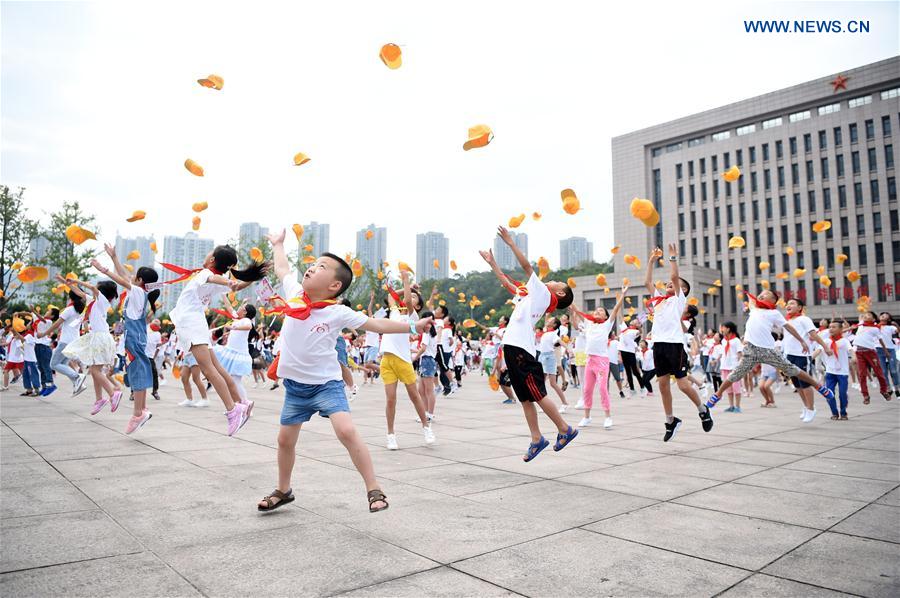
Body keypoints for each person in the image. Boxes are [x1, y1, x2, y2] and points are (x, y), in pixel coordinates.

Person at [256, 229, 435, 513]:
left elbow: (377, 324)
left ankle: (374, 488)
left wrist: (412, 326)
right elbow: (282, 268)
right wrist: (278, 244)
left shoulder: (337, 312)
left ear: (334, 285)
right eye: (314, 264)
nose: (311, 267)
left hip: (326, 385)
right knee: (284, 440)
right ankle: (283, 490)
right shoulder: (295, 295)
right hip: (296, 387)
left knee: (346, 430)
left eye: (321, 267)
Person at [479, 225, 577, 462]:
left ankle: (565, 429)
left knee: (538, 395)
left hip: (521, 350)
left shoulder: (544, 294)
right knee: (525, 398)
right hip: (513, 348)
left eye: (557, 282)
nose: (553, 279)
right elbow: (507, 284)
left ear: (560, 294)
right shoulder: (531, 296)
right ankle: (536, 439)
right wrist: (493, 263)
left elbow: (526, 267)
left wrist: (511, 243)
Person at [166, 245, 269, 435]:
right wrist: (252, 276)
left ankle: (233, 410)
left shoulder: (206, 274)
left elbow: (215, 278)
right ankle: (240, 403)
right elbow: (236, 286)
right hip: (197, 324)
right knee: (217, 369)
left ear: (212, 259)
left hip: (192, 324)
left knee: (209, 370)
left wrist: (230, 281)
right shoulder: (215, 277)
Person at [707, 289, 835, 409]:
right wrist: (747, 295)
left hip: (768, 350)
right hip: (750, 351)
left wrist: (801, 340)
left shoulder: (774, 313)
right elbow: (751, 299)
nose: (762, 294)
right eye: (761, 293)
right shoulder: (754, 309)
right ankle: (718, 394)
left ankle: (819, 387)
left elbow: (788, 327)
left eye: (766, 293)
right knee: (735, 374)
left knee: (792, 369)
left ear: (773, 300)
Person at [644, 245, 713, 442]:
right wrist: (651, 261)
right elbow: (647, 282)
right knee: (663, 386)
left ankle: (702, 409)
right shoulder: (658, 300)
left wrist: (673, 258)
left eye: (673, 284)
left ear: (682, 290)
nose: (669, 284)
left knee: (683, 385)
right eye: (667, 284)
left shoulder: (678, 299)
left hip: (674, 346)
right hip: (658, 346)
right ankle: (670, 420)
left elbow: (674, 276)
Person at [91, 246, 159, 433]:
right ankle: (142, 409)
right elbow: (124, 275)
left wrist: (103, 269)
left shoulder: (137, 292)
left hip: (134, 338)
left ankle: (138, 413)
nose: (131, 277)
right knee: (140, 371)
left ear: (140, 280)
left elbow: (121, 279)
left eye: (135, 276)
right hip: (137, 337)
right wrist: (114, 257)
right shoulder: (139, 292)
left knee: (137, 372)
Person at [379, 270, 435, 450]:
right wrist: (409, 287)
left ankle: (426, 427)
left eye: (416, 297)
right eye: (411, 294)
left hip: (403, 360)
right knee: (390, 400)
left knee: (415, 396)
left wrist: (405, 280)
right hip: (387, 359)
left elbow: (409, 301)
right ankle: (390, 435)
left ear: (418, 306)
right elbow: (390, 296)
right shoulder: (394, 311)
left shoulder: (412, 317)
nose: (411, 297)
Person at [63, 277, 122, 414]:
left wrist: (77, 281)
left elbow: (92, 288)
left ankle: (113, 394)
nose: (95, 288)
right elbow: (80, 293)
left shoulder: (103, 301)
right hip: (97, 337)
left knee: (95, 371)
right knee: (95, 371)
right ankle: (99, 399)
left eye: (98, 287)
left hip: (101, 338)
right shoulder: (93, 301)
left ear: (102, 291)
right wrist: (69, 284)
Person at [570, 288, 626, 429]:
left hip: (602, 361)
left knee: (602, 388)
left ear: (606, 317)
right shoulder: (588, 323)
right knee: (587, 389)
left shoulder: (606, 325)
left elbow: (615, 309)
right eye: (596, 310)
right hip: (590, 360)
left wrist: (623, 294)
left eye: (601, 311)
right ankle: (586, 417)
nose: (597, 312)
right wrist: (569, 298)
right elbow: (577, 310)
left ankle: (607, 417)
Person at [36, 283, 88, 395]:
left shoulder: (69, 309)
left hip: (65, 341)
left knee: (53, 364)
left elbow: (56, 324)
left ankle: (77, 377)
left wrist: (44, 333)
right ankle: (78, 383)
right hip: (74, 341)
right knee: (63, 364)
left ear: (70, 297)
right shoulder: (81, 310)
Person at [213, 301, 257, 404]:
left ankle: (246, 403)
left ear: (245, 312)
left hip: (238, 355)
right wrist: (223, 294)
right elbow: (229, 307)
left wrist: (233, 327)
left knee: (235, 381)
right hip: (231, 352)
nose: (239, 307)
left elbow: (249, 326)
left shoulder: (246, 320)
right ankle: (241, 404)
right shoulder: (238, 319)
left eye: (242, 307)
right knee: (232, 381)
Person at [851, 311, 893, 404]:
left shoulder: (875, 328)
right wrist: (862, 309)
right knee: (862, 375)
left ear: (874, 319)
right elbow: (861, 316)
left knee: (879, 373)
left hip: (870, 352)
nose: (866, 316)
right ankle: (865, 395)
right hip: (859, 353)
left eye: (869, 315)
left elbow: (881, 340)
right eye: (865, 315)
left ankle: (883, 390)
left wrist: (886, 351)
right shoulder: (861, 325)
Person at [815, 320, 852, 420]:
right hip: (830, 372)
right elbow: (818, 351)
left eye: (834, 327)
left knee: (842, 393)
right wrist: (809, 359)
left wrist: (854, 357)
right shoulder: (826, 341)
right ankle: (834, 413)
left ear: (841, 329)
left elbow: (851, 350)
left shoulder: (844, 341)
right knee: (829, 394)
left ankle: (843, 413)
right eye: (830, 327)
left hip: (842, 372)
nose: (831, 329)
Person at [537, 316, 569, 412]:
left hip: (550, 358)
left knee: (553, 383)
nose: (548, 320)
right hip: (542, 357)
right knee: (541, 382)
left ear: (554, 324)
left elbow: (560, 341)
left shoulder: (553, 334)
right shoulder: (546, 332)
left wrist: (568, 349)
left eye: (551, 320)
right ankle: (544, 404)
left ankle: (565, 403)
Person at [415, 310, 439, 420]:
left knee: (428, 390)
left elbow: (423, 348)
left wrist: (415, 357)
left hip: (427, 360)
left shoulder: (426, 333)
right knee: (421, 390)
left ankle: (430, 414)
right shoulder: (431, 333)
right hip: (426, 360)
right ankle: (425, 413)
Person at [718, 322, 744, 413]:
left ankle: (738, 406)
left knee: (736, 387)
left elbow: (740, 353)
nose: (722, 330)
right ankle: (731, 406)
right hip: (725, 366)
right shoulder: (724, 340)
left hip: (734, 367)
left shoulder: (736, 340)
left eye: (723, 328)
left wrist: (740, 366)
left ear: (728, 329)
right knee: (728, 387)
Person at [31, 306, 56, 395]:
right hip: (38, 345)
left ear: (52, 316)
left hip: (44, 347)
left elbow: (42, 319)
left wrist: (34, 311)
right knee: (41, 367)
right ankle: (44, 386)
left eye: (49, 311)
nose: (47, 311)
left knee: (45, 367)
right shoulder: (39, 320)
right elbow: (35, 317)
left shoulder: (49, 321)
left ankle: (51, 384)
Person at [876, 312, 899, 398]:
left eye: (885, 315)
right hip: (879, 349)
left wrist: (896, 324)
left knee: (893, 370)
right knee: (883, 371)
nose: (883, 315)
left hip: (890, 349)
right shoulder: (875, 326)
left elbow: (898, 331)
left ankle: (897, 388)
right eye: (882, 314)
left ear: (888, 318)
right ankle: (888, 388)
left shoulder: (891, 327)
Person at [618, 321, 644, 396]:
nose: (633, 321)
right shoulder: (625, 329)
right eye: (634, 320)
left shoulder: (634, 331)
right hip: (623, 351)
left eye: (636, 321)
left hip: (630, 352)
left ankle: (642, 387)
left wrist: (639, 327)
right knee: (628, 371)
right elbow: (620, 319)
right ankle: (632, 389)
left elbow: (640, 332)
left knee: (635, 371)